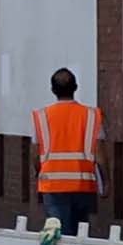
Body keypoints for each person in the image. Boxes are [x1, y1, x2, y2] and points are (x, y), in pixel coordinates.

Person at [33, 65, 103, 235]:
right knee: (80, 232)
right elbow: (100, 153)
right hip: (83, 185)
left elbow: (35, 154)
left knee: (59, 233)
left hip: (53, 185)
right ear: (76, 88)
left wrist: (39, 175)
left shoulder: (42, 116)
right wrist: (105, 182)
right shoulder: (91, 116)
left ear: (52, 90)